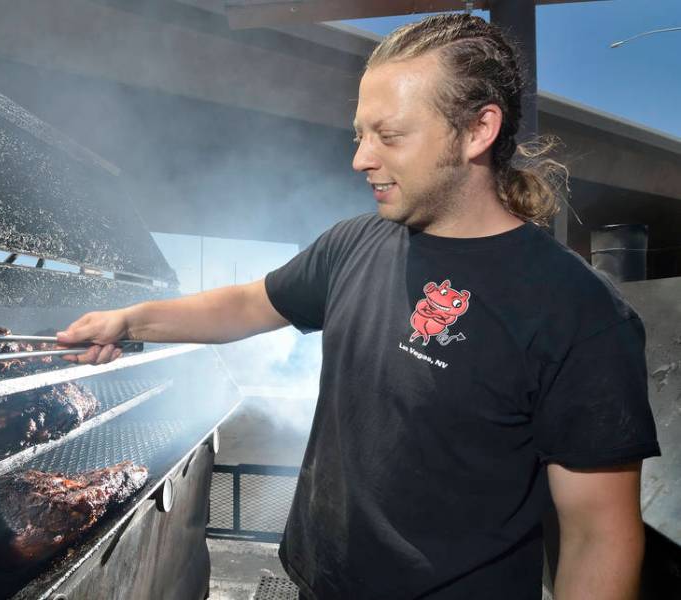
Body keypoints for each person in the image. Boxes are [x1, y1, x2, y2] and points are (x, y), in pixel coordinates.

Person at [56, 13, 660, 600]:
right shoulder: (353, 244)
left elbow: (596, 538)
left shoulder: (577, 312)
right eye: (360, 135)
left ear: (478, 130)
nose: (361, 158)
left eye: (389, 136)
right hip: (314, 584)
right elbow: (245, 303)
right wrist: (131, 322)